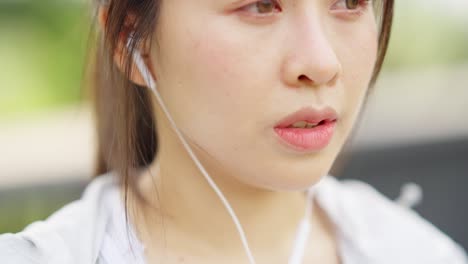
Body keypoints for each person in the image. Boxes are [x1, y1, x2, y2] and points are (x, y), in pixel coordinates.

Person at [1, 0, 467, 263]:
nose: (322, 63)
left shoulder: (416, 252)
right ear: (131, 39)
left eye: (350, 2)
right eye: (261, 6)